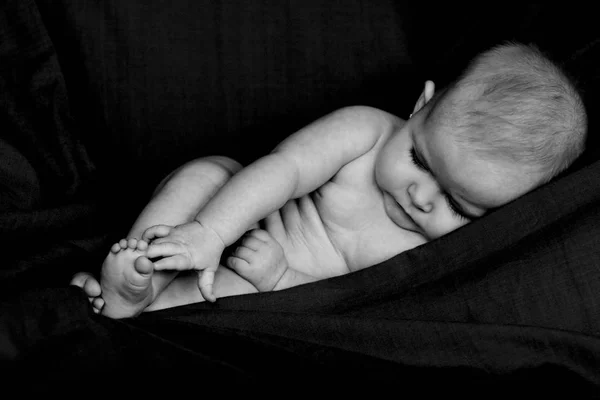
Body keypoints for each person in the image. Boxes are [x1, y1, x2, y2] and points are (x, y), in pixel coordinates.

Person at [71, 42, 587, 319]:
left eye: (461, 207)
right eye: (421, 162)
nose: (420, 197)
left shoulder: (434, 258)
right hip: (236, 216)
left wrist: (278, 280)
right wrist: (210, 231)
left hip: (274, 283)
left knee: (232, 297)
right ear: (420, 106)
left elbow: (352, 309)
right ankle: (142, 265)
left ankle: (135, 304)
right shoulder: (366, 131)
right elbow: (285, 168)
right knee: (208, 173)